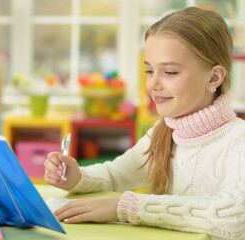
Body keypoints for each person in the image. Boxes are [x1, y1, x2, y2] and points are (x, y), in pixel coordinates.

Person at [44, 6, 245, 240]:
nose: (153, 84)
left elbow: (236, 216)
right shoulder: (162, 132)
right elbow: (114, 175)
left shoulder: (238, 141)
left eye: (169, 72)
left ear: (213, 77)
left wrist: (128, 207)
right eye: (149, 70)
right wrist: (76, 177)